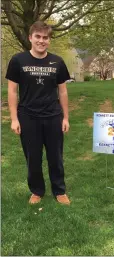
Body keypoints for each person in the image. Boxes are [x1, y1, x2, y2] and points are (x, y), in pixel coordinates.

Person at [6, 21, 71, 205]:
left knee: (55, 156)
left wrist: (65, 117)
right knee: (33, 157)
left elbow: (63, 91)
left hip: (53, 116)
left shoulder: (57, 61)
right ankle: (37, 191)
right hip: (28, 117)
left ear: (49, 40)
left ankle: (59, 190)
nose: (41, 41)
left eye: (45, 38)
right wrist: (14, 119)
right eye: (38, 37)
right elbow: (12, 91)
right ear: (30, 38)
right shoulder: (18, 60)